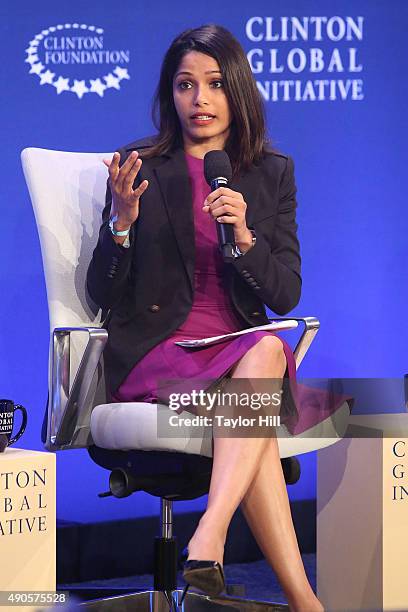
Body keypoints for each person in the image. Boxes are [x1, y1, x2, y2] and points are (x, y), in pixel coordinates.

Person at [87, 24, 324, 612]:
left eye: (215, 84)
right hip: (160, 357)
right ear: (170, 94)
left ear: (236, 90)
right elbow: (101, 293)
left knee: (263, 357)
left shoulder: (271, 173)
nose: (200, 99)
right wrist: (121, 219)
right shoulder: (139, 165)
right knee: (265, 375)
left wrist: (243, 235)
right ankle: (254, 566)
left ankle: (223, 550)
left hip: (236, 358)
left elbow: (286, 293)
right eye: (186, 84)